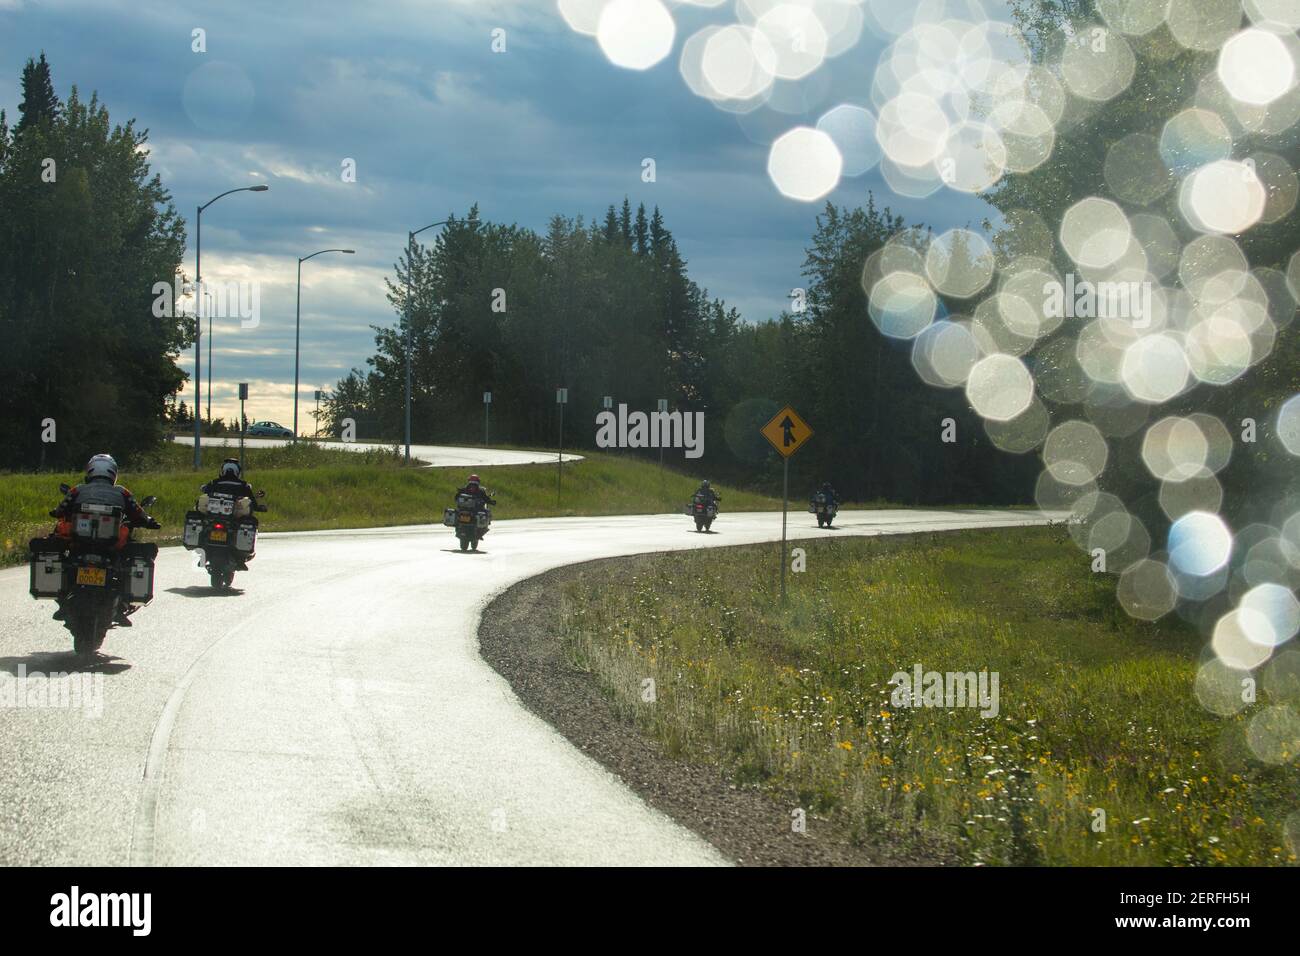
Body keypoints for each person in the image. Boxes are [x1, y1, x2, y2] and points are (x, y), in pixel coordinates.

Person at [51, 453, 160, 626]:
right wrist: (149, 522)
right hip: (110, 546)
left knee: (60, 552)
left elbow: (61, 509)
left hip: (80, 544)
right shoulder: (122, 491)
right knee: (131, 558)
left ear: (90, 471)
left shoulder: (78, 489)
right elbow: (139, 512)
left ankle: (63, 601)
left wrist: (57, 512)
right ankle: (123, 604)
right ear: (113, 473)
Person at [200, 458, 264, 569]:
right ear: (237, 472)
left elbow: (205, 492)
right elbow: (252, 501)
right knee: (248, 522)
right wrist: (258, 507)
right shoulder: (243, 485)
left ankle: (205, 549)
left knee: (204, 523)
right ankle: (239, 556)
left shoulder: (214, 483)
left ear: (223, 470)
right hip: (231, 520)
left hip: (214, 518)